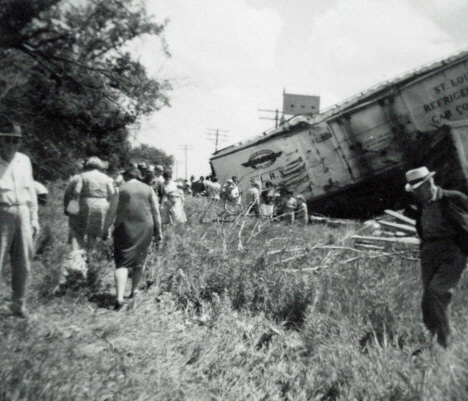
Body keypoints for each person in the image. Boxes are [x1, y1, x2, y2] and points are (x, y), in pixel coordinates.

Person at [405, 166, 468, 348]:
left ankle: (446, 342)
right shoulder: (421, 205)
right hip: (429, 253)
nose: (416, 194)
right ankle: (436, 338)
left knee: (437, 292)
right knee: (428, 300)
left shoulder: (453, 198)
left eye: (418, 190)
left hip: (453, 251)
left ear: (429, 183)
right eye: (414, 191)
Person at [103, 167, 163, 309]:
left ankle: (119, 297)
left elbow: (111, 212)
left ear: (126, 177)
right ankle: (134, 290)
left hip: (124, 227)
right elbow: (156, 212)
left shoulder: (120, 189)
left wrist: (105, 229)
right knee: (139, 260)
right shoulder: (149, 189)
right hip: (145, 227)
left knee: (122, 262)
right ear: (138, 176)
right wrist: (158, 231)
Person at [0, 121, 39, 317]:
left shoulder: (24, 160)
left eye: (16, 141)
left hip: (23, 212)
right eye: (7, 140)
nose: (12, 145)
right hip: (2, 212)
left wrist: (34, 218)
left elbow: (31, 190)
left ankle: (18, 304)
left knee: (23, 261)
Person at [72, 157, 115, 252]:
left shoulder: (83, 176)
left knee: (80, 229)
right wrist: (107, 201)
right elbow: (112, 192)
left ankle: (81, 252)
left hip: (86, 203)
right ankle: (90, 252)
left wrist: (73, 207)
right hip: (102, 204)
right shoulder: (105, 177)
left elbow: (76, 191)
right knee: (93, 231)